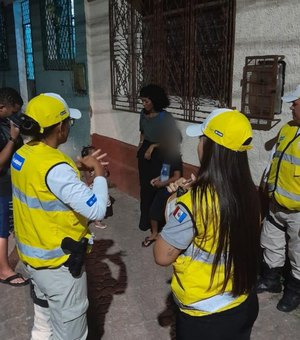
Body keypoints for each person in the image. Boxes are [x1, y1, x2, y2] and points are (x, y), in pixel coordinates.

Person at [153, 108, 261, 340]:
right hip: (243, 301)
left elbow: (162, 255)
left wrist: (176, 200)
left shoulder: (194, 202)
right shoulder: (249, 193)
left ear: (210, 147)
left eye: (202, 139)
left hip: (206, 314)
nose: (199, 145)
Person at [11, 93, 109, 339]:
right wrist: (98, 172)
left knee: (44, 323)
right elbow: (97, 209)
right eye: (69, 123)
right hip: (58, 267)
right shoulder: (56, 168)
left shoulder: (23, 154)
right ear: (60, 127)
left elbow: (44, 184)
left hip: (33, 261)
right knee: (70, 333)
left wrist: (74, 170)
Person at [257, 84, 300, 313]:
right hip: (276, 203)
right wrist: (266, 184)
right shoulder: (288, 129)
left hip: (298, 212)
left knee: (298, 253)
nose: (291, 105)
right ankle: (271, 280)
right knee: (271, 242)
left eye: (295, 101)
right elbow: (274, 158)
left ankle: (293, 292)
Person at [137, 84, 180, 231]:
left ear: (155, 100)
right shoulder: (143, 114)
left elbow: (176, 139)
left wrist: (153, 146)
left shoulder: (165, 117)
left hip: (161, 156)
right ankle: (145, 221)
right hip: (145, 156)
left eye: (146, 101)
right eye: (142, 101)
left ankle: (159, 224)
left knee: (159, 188)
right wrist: (141, 145)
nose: (144, 104)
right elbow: (142, 132)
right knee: (145, 189)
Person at [0, 87, 29, 287]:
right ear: (2, 107)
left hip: (12, 185)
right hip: (1, 187)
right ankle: (4, 270)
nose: (16, 116)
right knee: (2, 229)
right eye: (13, 112)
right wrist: (12, 137)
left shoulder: (6, 122)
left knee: (10, 226)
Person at [142, 132, 183, 247]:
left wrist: (162, 184)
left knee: (155, 211)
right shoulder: (167, 155)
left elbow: (176, 177)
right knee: (157, 211)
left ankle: (155, 234)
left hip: (169, 190)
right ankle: (158, 232)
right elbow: (165, 172)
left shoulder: (175, 157)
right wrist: (157, 179)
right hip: (162, 186)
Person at [81, 144, 111, 229]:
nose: (97, 155)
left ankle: (96, 216)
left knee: (102, 202)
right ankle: (96, 221)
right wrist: (98, 171)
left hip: (100, 186)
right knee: (95, 204)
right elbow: (89, 180)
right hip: (93, 188)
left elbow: (106, 173)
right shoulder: (87, 168)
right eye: (94, 154)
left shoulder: (100, 163)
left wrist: (104, 171)